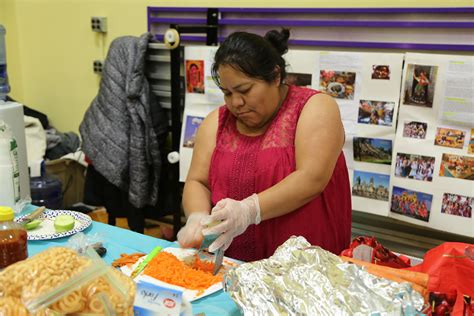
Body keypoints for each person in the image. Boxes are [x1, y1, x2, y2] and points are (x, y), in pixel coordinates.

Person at [176, 29, 351, 262]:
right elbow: (198, 181)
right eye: (227, 93)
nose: (236, 103)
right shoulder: (215, 123)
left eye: (245, 90)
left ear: (275, 76)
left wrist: (249, 210)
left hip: (305, 268)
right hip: (232, 265)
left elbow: (312, 177)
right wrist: (198, 218)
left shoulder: (314, 108)